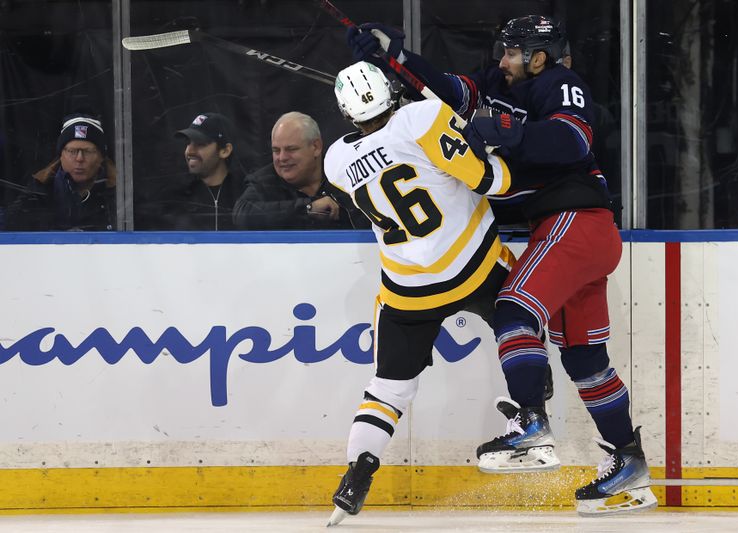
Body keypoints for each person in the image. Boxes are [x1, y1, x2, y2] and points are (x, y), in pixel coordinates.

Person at [347, 15, 657, 516]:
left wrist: (507, 130)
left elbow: (572, 140)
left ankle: (532, 427)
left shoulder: (561, 83)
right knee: (584, 360)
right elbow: (446, 90)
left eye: (512, 52)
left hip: (577, 222)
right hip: (569, 232)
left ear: (539, 57)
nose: (501, 59)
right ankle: (629, 464)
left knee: (512, 306)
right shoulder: (496, 83)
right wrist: (394, 59)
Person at [323, 61, 514, 526]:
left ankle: (359, 471)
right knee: (522, 315)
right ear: (391, 91)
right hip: (473, 263)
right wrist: (483, 145)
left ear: (347, 114)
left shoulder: (335, 162)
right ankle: (532, 403)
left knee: (388, 388)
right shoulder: (423, 116)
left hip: (408, 289)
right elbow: (494, 183)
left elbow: (384, 150)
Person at [233, 112, 368, 230]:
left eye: (291, 149)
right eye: (276, 150)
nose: (282, 158)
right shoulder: (264, 180)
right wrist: (308, 208)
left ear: (316, 147)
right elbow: (242, 214)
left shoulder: (345, 172)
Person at [5, 113, 116, 231]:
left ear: (101, 157)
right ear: (61, 156)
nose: (79, 158)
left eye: (87, 151)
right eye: (72, 151)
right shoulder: (39, 191)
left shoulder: (120, 193)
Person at [159, 112, 244, 231]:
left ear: (225, 150)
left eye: (200, 143)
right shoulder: (175, 199)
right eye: (188, 142)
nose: (190, 151)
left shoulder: (245, 196)